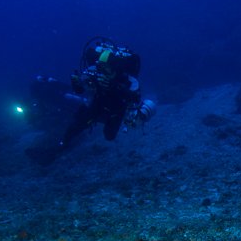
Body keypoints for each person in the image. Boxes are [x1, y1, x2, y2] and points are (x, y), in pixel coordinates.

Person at [27, 37, 155, 164]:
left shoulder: (129, 80)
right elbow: (81, 90)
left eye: (106, 69)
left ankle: (95, 118)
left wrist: (114, 87)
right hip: (97, 105)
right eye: (100, 68)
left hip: (116, 110)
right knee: (76, 126)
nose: (102, 72)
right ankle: (61, 146)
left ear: (116, 69)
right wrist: (77, 84)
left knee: (109, 136)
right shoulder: (96, 74)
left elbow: (135, 97)